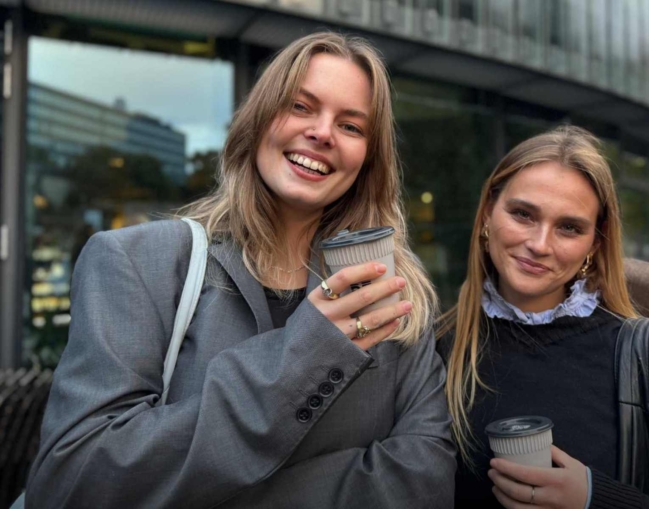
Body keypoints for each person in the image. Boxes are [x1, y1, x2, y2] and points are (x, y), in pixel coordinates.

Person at [26, 32, 455, 508]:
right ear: (259, 118)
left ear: (369, 160)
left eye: (351, 126)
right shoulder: (137, 262)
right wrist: (307, 354)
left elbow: (425, 480)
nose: (323, 133)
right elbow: (73, 481)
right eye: (300, 106)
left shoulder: (391, 291)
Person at [437, 125, 649, 508]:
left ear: (595, 241)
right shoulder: (437, 347)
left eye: (569, 228)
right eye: (523, 214)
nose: (539, 244)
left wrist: (594, 498)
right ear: (488, 213)